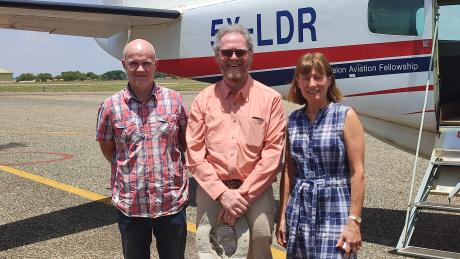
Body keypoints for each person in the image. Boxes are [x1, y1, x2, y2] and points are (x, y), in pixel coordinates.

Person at [186, 24, 286, 259]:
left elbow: (273, 153)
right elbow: (195, 153)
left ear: (250, 56)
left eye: (240, 52)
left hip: (255, 188)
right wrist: (223, 195)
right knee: (210, 247)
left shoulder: (270, 100)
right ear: (217, 57)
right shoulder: (203, 100)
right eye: (227, 52)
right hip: (213, 189)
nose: (234, 58)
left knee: (260, 238)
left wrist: (242, 196)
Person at [95, 39, 188, 259]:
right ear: (123, 64)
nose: (140, 69)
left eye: (146, 63)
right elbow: (108, 147)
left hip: (171, 202)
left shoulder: (175, 100)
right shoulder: (110, 106)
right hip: (132, 205)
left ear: (156, 64)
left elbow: (184, 141)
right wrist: (132, 170)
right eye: (133, 63)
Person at [276, 52, 365, 258]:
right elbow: (289, 171)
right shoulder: (293, 120)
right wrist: (282, 217)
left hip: (335, 205)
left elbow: (358, 172)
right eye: (305, 78)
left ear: (329, 80)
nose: (312, 83)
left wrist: (354, 221)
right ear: (298, 82)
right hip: (300, 207)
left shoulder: (345, 115)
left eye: (318, 77)